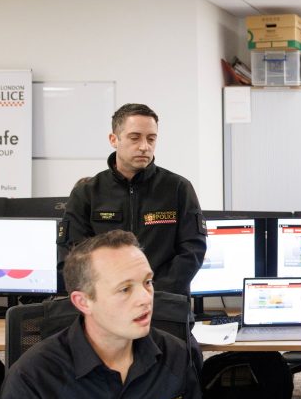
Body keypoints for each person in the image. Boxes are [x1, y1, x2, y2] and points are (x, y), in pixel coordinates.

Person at [0, 230, 205, 399]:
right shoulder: (33, 376)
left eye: (147, 282)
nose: (145, 298)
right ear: (83, 302)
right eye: (125, 289)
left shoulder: (175, 355)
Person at [61, 103, 206, 296]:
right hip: (107, 306)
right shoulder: (87, 192)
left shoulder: (178, 188)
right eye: (135, 137)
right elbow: (74, 257)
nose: (144, 146)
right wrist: (114, 294)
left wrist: (149, 293)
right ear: (114, 139)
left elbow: (192, 251)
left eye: (151, 139)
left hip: (166, 304)